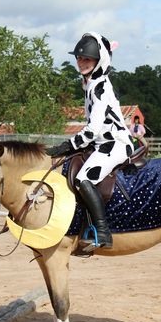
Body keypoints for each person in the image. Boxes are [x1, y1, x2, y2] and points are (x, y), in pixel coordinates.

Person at [47, 32, 134, 250]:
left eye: (87, 59)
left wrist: (67, 146)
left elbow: (93, 129)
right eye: (79, 58)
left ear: (98, 61)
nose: (81, 63)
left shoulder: (100, 87)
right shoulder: (90, 84)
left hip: (115, 144)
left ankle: (103, 231)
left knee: (83, 179)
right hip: (101, 144)